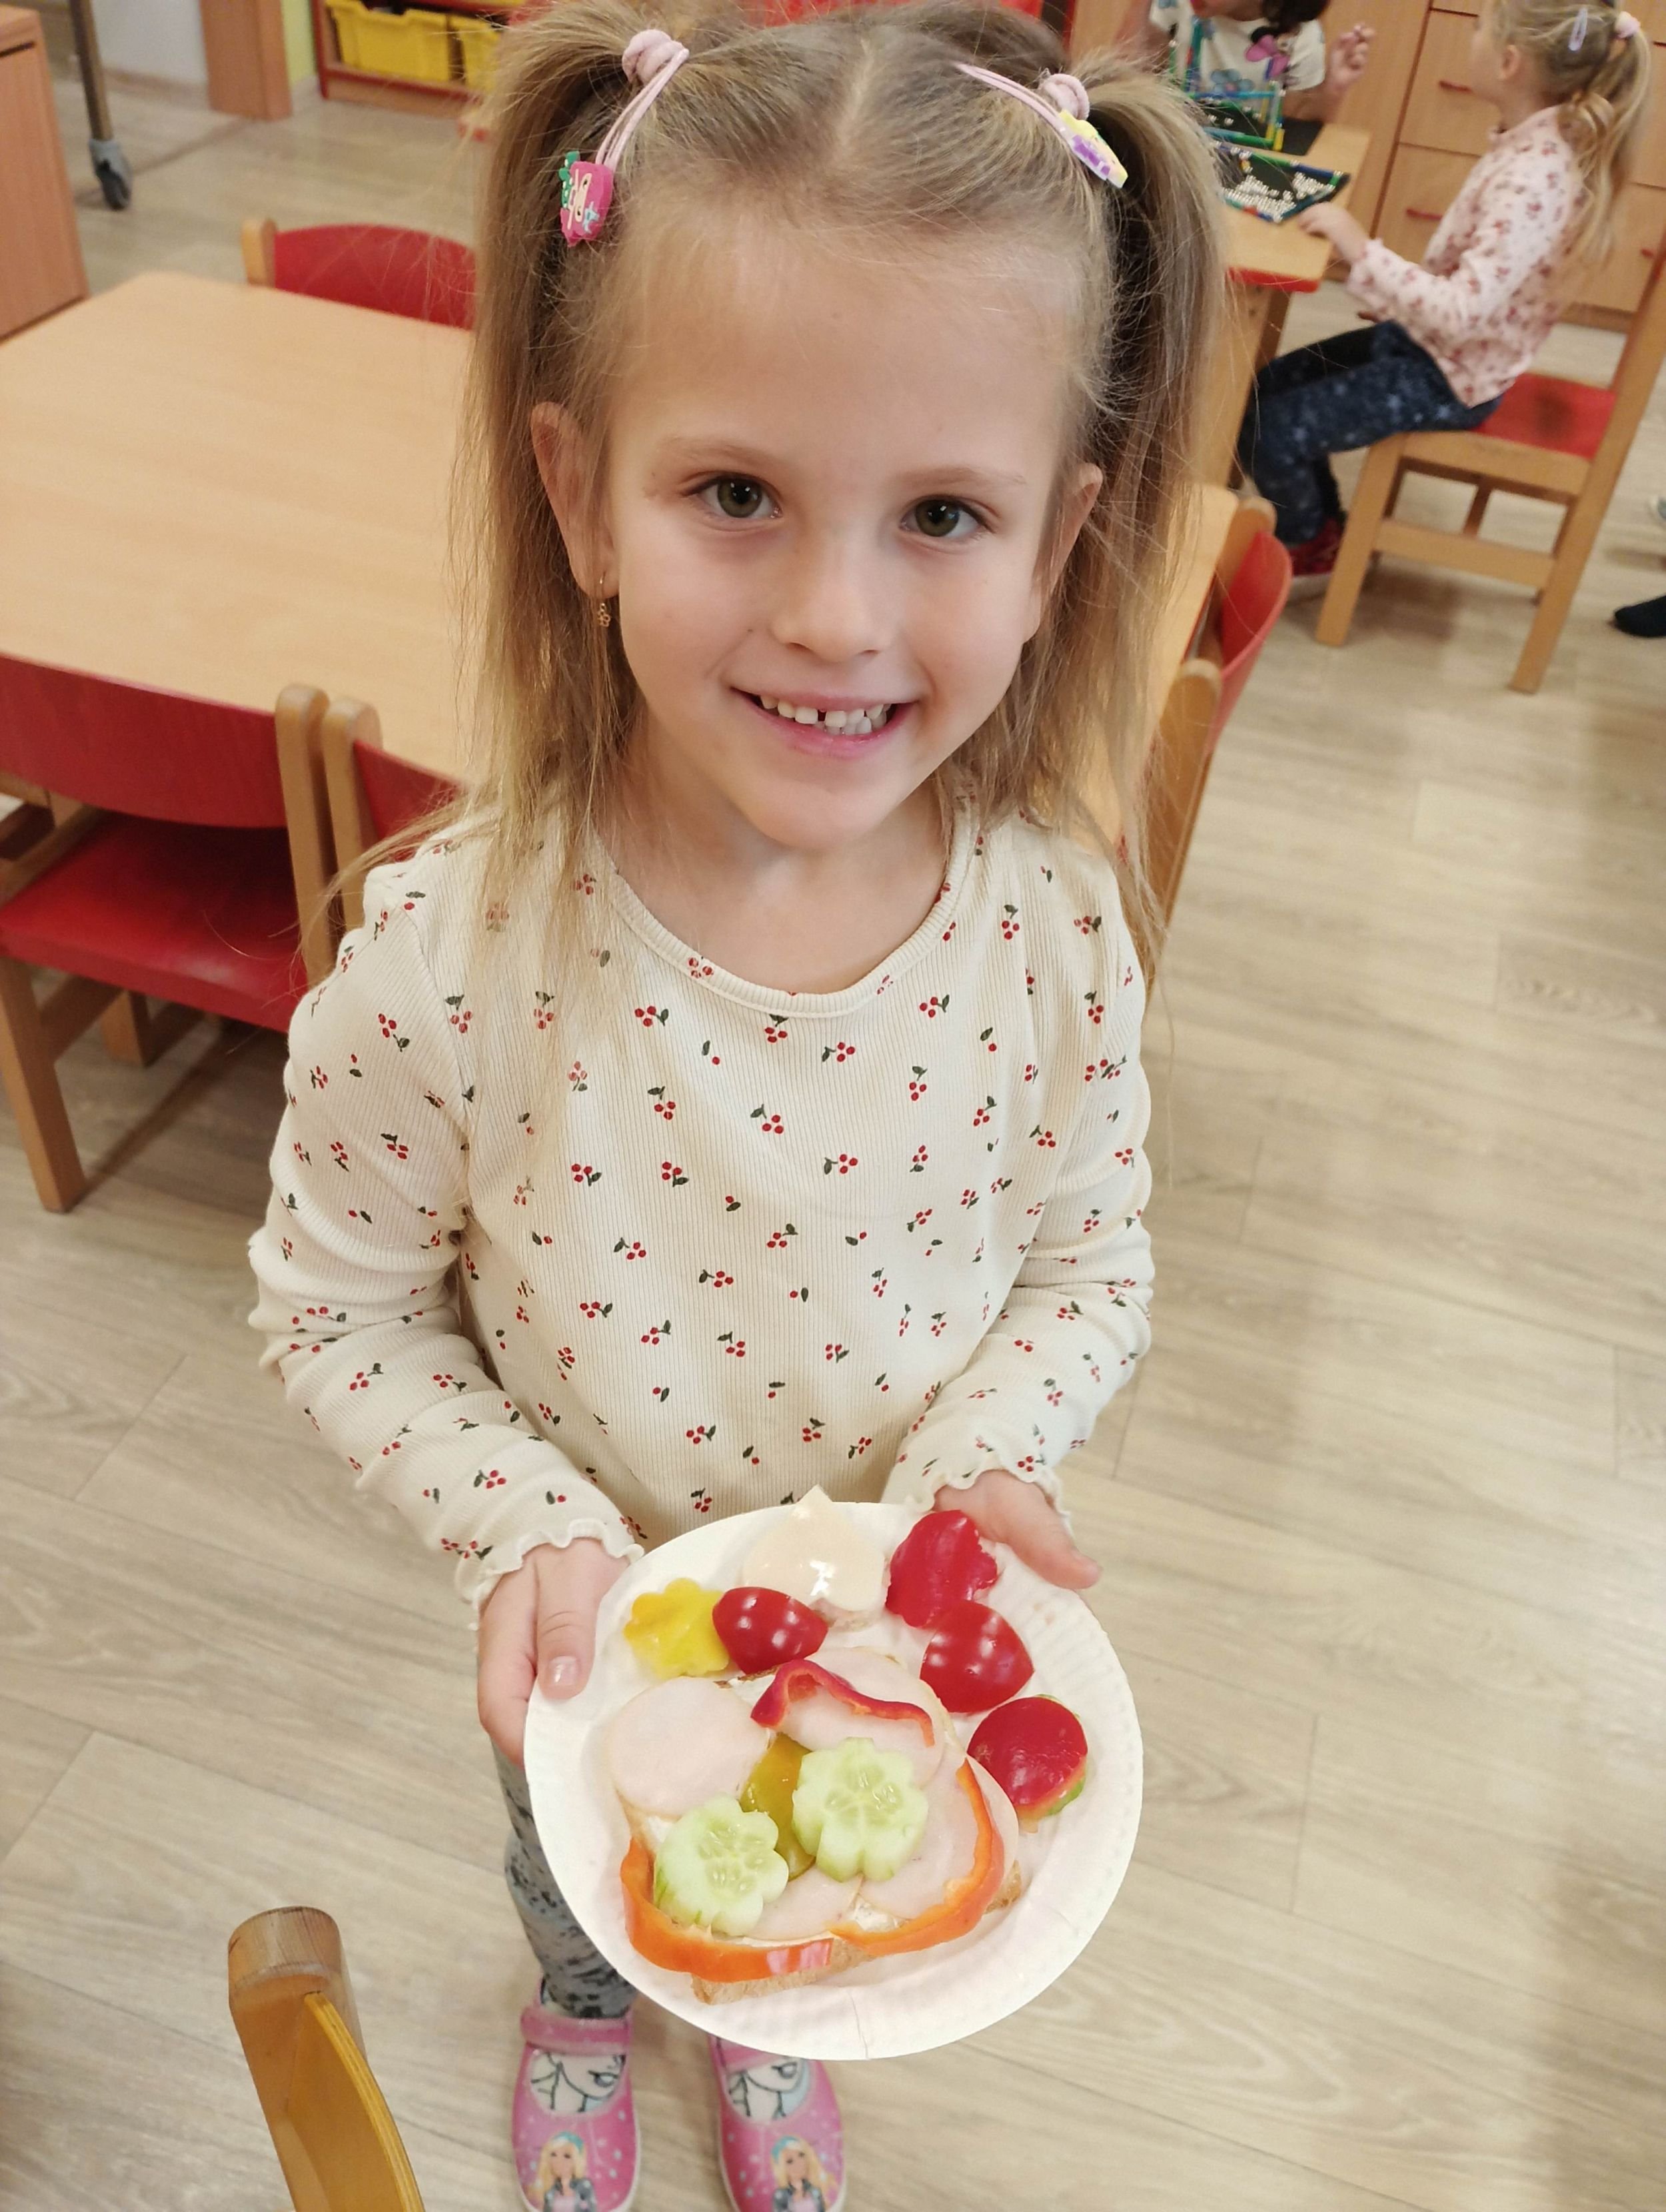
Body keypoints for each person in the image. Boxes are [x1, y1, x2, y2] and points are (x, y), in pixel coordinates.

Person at [248, 3, 1221, 2206]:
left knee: (825, 1880)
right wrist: (528, 1525)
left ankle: (769, 2021)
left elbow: (1090, 1258)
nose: (835, 615)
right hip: (603, 1646)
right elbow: (338, 1310)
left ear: (1060, 540)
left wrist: (977, 1468)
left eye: (944, 513)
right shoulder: (449, 958)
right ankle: (590, 2005)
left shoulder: (1055, 930)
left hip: (904, 1637)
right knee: (574, 1883)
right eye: (736, 494)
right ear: (578, 492)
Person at [1238, 0, 1651, 582]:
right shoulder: (1527, 144)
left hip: (1451, 378)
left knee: (1271, 431)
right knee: (1262, 398)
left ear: (1509, 63)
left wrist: (1361, 250)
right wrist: (1383, 278)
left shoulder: (1533, 178)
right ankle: (1327, 528)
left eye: (1479, 29)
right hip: (1426, 344)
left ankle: (1306, 545)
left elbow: (1459, 312)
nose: (1471, 38)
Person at [1124, 0, 1374, 124]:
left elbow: (1300, 128)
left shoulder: (1299, 35)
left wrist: (1332, 91)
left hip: (1250, 162)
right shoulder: (1178, 4)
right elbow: (1128, 75)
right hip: (1180, 146)